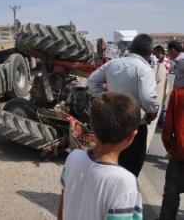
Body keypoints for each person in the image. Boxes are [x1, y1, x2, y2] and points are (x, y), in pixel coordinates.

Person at [58, 92, 143, 220]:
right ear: (132, 136)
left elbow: (62, 208)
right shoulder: (125, 182)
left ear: (91, 124)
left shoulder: (73, 158)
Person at [87, 33, 159, 177]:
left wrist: (107, 98)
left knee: (110, 162)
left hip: (111, 120)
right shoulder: (144, 70)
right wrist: (153, 111)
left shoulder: (113, 63)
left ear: (131, 48)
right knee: (130, 169)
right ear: (149, 52)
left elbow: (92, 82)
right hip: (135, 124)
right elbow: (147, 98)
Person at [158, 41, 184, 220]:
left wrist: (169, 148)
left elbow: (167, 128)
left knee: (172, 192)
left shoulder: (177, 95)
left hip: (179, 152)